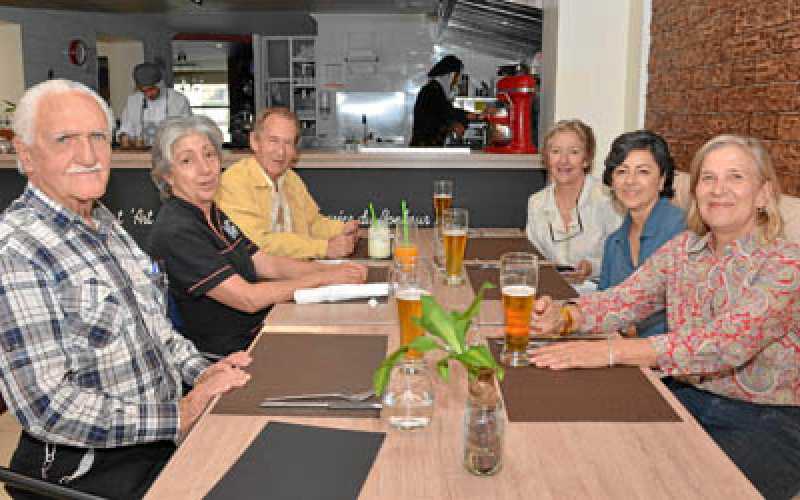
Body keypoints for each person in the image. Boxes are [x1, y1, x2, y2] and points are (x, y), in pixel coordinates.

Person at [3, 79, 251, 499]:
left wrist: (203, 371)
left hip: (158, 441)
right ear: (26, 156)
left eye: (97, 137)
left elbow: (157, 334)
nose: (87, 155)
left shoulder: (103, 223)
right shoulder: (16, 251)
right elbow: (48, 409)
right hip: (87, 471)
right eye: (65, 139)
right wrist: (181, 414)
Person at [530, 135, 800, 500]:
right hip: (684, 395)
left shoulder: (785, 262)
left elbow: (725, 343)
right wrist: (565, 317)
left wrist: (613, 353)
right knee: (589, 453)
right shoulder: (684, 249)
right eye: (708, 178)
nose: (719, 189)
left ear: (764, 193)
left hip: (766, 422)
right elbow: (624, 300)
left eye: (735, 177)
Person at [149, 115, 367, 356]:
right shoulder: (177, 230)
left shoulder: (213, 212)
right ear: (168, 175)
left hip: (262, 328)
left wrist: (332, 271)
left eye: (209, 155)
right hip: (229, 356)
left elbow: (266, 263)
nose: (205, 169)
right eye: (187, 161)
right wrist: (323, 279)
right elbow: (247, 298)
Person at [215, 107, 360, 259]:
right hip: (256, 278)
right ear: (254, 141)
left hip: (294, 271)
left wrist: (342, 229)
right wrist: (324, 248)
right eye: (273, 141)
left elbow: (312, 224)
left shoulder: (291, 178)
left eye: (288, 143)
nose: (280, 152)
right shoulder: (233, 182)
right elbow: (257, 244)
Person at [598, 130, 686, 337]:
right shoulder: (614, 243)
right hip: (626, 354)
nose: (630, 180)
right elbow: (603, 304)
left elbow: (684, 308)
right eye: (622, 171)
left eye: (643, 171)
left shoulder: (682, 232)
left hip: (671, 358)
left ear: (662, 179)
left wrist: (632, 328)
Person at [526, 119, 623, 280]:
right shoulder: (536, 203)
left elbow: (623, 258)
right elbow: (534, 259)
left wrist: (592, 268)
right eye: (556, 151)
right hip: (552, 292)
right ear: (546, 158)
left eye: (574, 152)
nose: (563, 160)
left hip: (598, 293)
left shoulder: (608, 199)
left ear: (586, 159)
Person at [410, 55, 483, 147]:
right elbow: (445, 111)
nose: (457, 82)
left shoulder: (434, 89)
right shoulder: (433, 90)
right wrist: (465, 117)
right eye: (457, 77)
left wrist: (470, 114)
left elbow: (447, 110)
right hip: (426, 147)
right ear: (450, 75)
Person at [118, 62, 191, 147]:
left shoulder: (179, 100)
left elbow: (187, 131)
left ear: (160, 84)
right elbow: (126, 129)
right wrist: (125, 137)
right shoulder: (133, 101)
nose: (148, 94)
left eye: (151, 89)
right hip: (141, 154)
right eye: (144, 91)